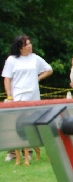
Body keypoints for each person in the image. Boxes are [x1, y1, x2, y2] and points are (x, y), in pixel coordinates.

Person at [3, 35, 53, 164]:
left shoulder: (35, 58)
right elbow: (7, 78)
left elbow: (49, 69)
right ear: (20, 47)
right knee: (17, 126)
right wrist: (9, 95)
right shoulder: (12, 60)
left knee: (31, 124)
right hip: (18, 96)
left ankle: (29, 152)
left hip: (34, 97)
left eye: (30, 43)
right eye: (27, 44)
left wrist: (38, 78)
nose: (30, 46)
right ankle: (13, 153)